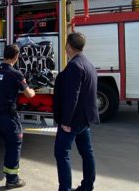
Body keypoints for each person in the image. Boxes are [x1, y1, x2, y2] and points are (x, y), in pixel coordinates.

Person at [0, 44, 36, 191]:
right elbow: (28, 94)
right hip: (7, 117)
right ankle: (12, 180)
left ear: (4, 55)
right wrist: (33, 90)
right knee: (14, 145)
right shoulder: (16, 74)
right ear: (16, 57)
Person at [53, 32, 100, 191]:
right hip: (85, 119)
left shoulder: (74, 66)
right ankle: (87, 186)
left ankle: (64, 188)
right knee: (87, 153)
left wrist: (66, 121)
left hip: (73, 121)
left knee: (61, 153)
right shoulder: (89, 64)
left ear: (68, 46)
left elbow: (72, 96)